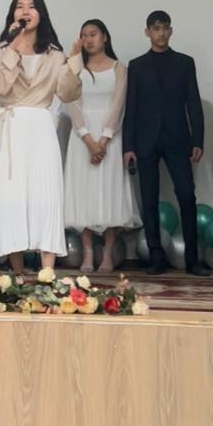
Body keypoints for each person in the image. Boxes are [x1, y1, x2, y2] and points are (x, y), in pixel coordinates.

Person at [0, 0, 83, 275]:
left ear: (41, 14)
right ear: (13, 14)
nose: (25, 10)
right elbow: (1, 87)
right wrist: (13, 47)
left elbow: (67, 93)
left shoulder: (55, 54)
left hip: (40, 127)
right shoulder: (0, 50)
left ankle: (47, 272)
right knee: (12, 197)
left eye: (32, 6)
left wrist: (75, 62)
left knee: (44, 195)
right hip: (10, 128)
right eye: (20, 6)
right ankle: (18, 272)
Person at [122, 10, 209, 276]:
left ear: (171, 31)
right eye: (156, 28)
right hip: (145, 140)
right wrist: (128, 146)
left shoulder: (184, 63)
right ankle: (156, 256)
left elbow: (193, 103)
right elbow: (131, 107)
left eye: (165, 28)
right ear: (147, 32)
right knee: (149, 200)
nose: (160, 33)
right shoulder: (136, 66)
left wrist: (198, 139)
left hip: (177, 138)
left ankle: (192, 259)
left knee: (187, 196)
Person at [63, 19, 140, 272]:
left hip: (110, 138)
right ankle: (87, 253)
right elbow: (72, 103)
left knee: (109, 192)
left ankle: (107, 253)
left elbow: (118, 106)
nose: (88, 39)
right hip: (81, 139)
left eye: (93, 34)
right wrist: (88, 139)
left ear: (105, 37)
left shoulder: (119, 69)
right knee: (85, 192)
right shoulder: (75, 68)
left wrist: (104, 140)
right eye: (84, 35)